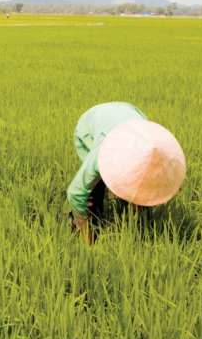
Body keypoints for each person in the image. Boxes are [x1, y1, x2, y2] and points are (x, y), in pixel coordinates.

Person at [67, 102, 186, 243]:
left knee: (144, 190)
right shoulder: (102, 154)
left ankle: (137, 222)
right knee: (95, 191)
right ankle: (85, 228)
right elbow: (75, 193)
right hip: (90, 125)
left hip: (129, 113)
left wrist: (168, 189)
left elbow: (168, 177)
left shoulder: (158, 148)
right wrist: (85, 235)